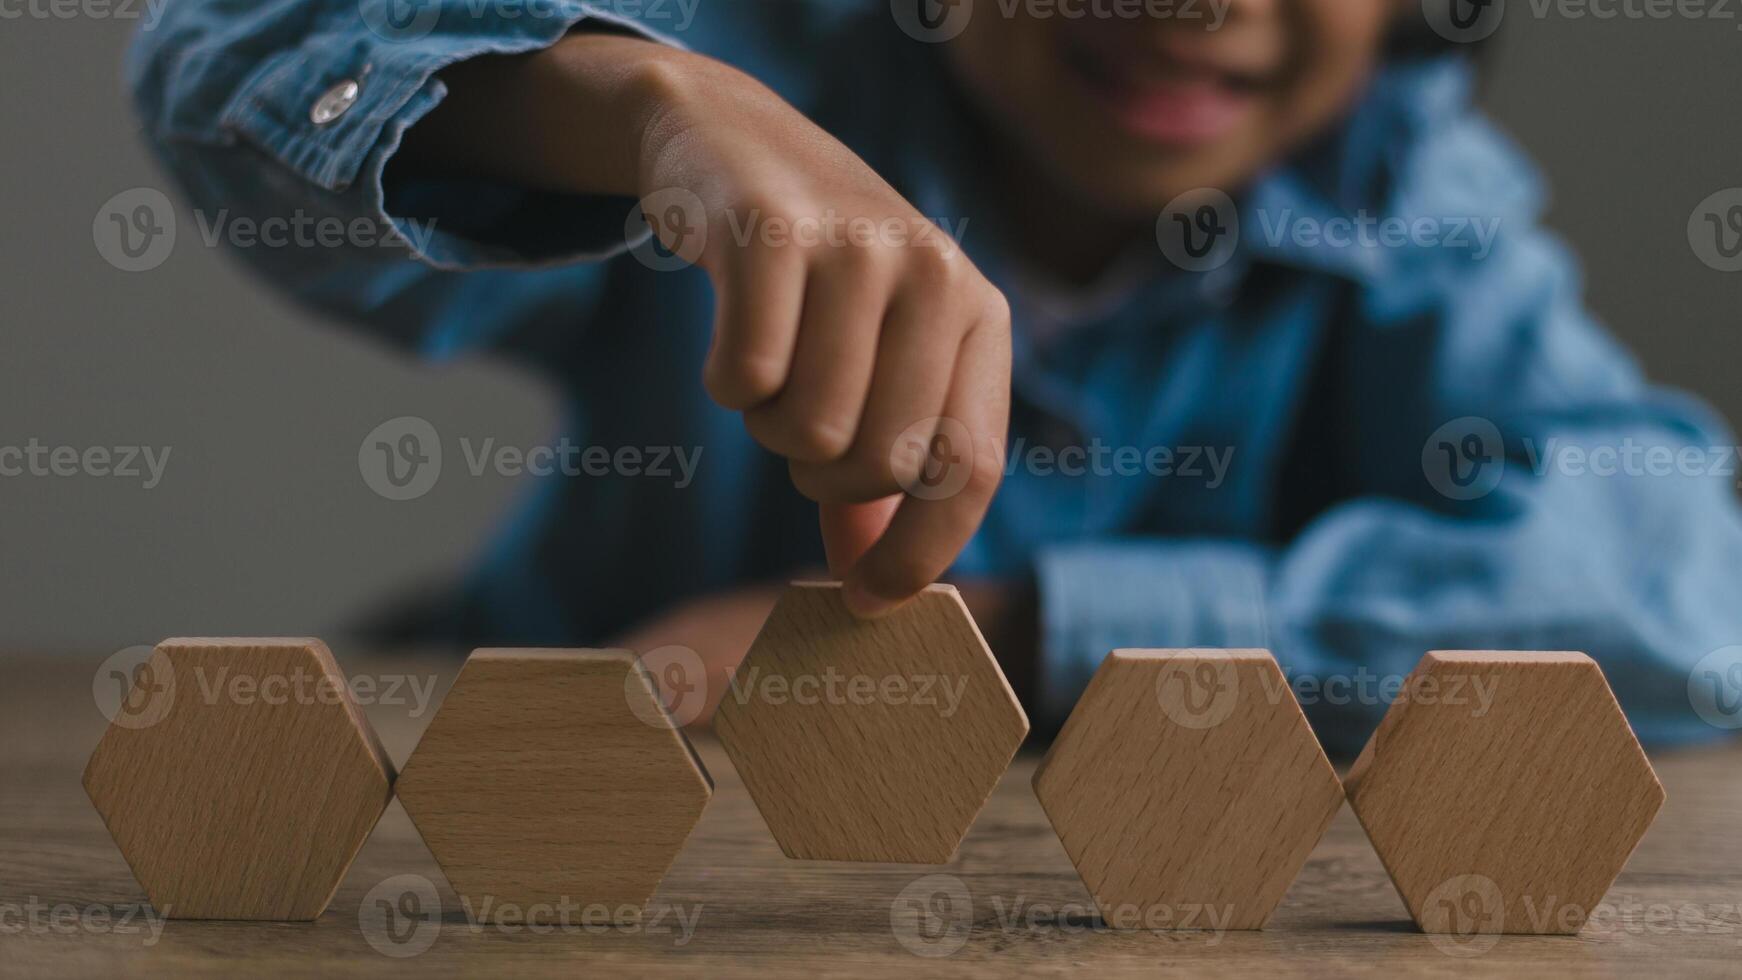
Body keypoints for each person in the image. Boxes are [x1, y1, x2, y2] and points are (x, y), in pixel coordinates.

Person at [126, 0, 1742, 748]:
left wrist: (1015, 635)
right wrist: (635, 106)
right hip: (564, 819)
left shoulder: (1406, 191)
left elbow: (1682, 596)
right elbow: (218, 61)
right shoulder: (771, 58)